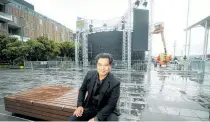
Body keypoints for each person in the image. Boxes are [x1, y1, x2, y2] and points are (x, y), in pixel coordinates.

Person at [68, 53, 121, 121]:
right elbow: (82, 90)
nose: (102, 68)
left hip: (107, 111)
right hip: (90, 107)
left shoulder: (115, 83)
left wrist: (96, 118)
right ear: (96, 65)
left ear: (110, 67)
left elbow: (111, 105)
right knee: (72, 120)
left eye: (106, 65)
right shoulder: (90, 74)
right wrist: (80, 105)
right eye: (100, 64)